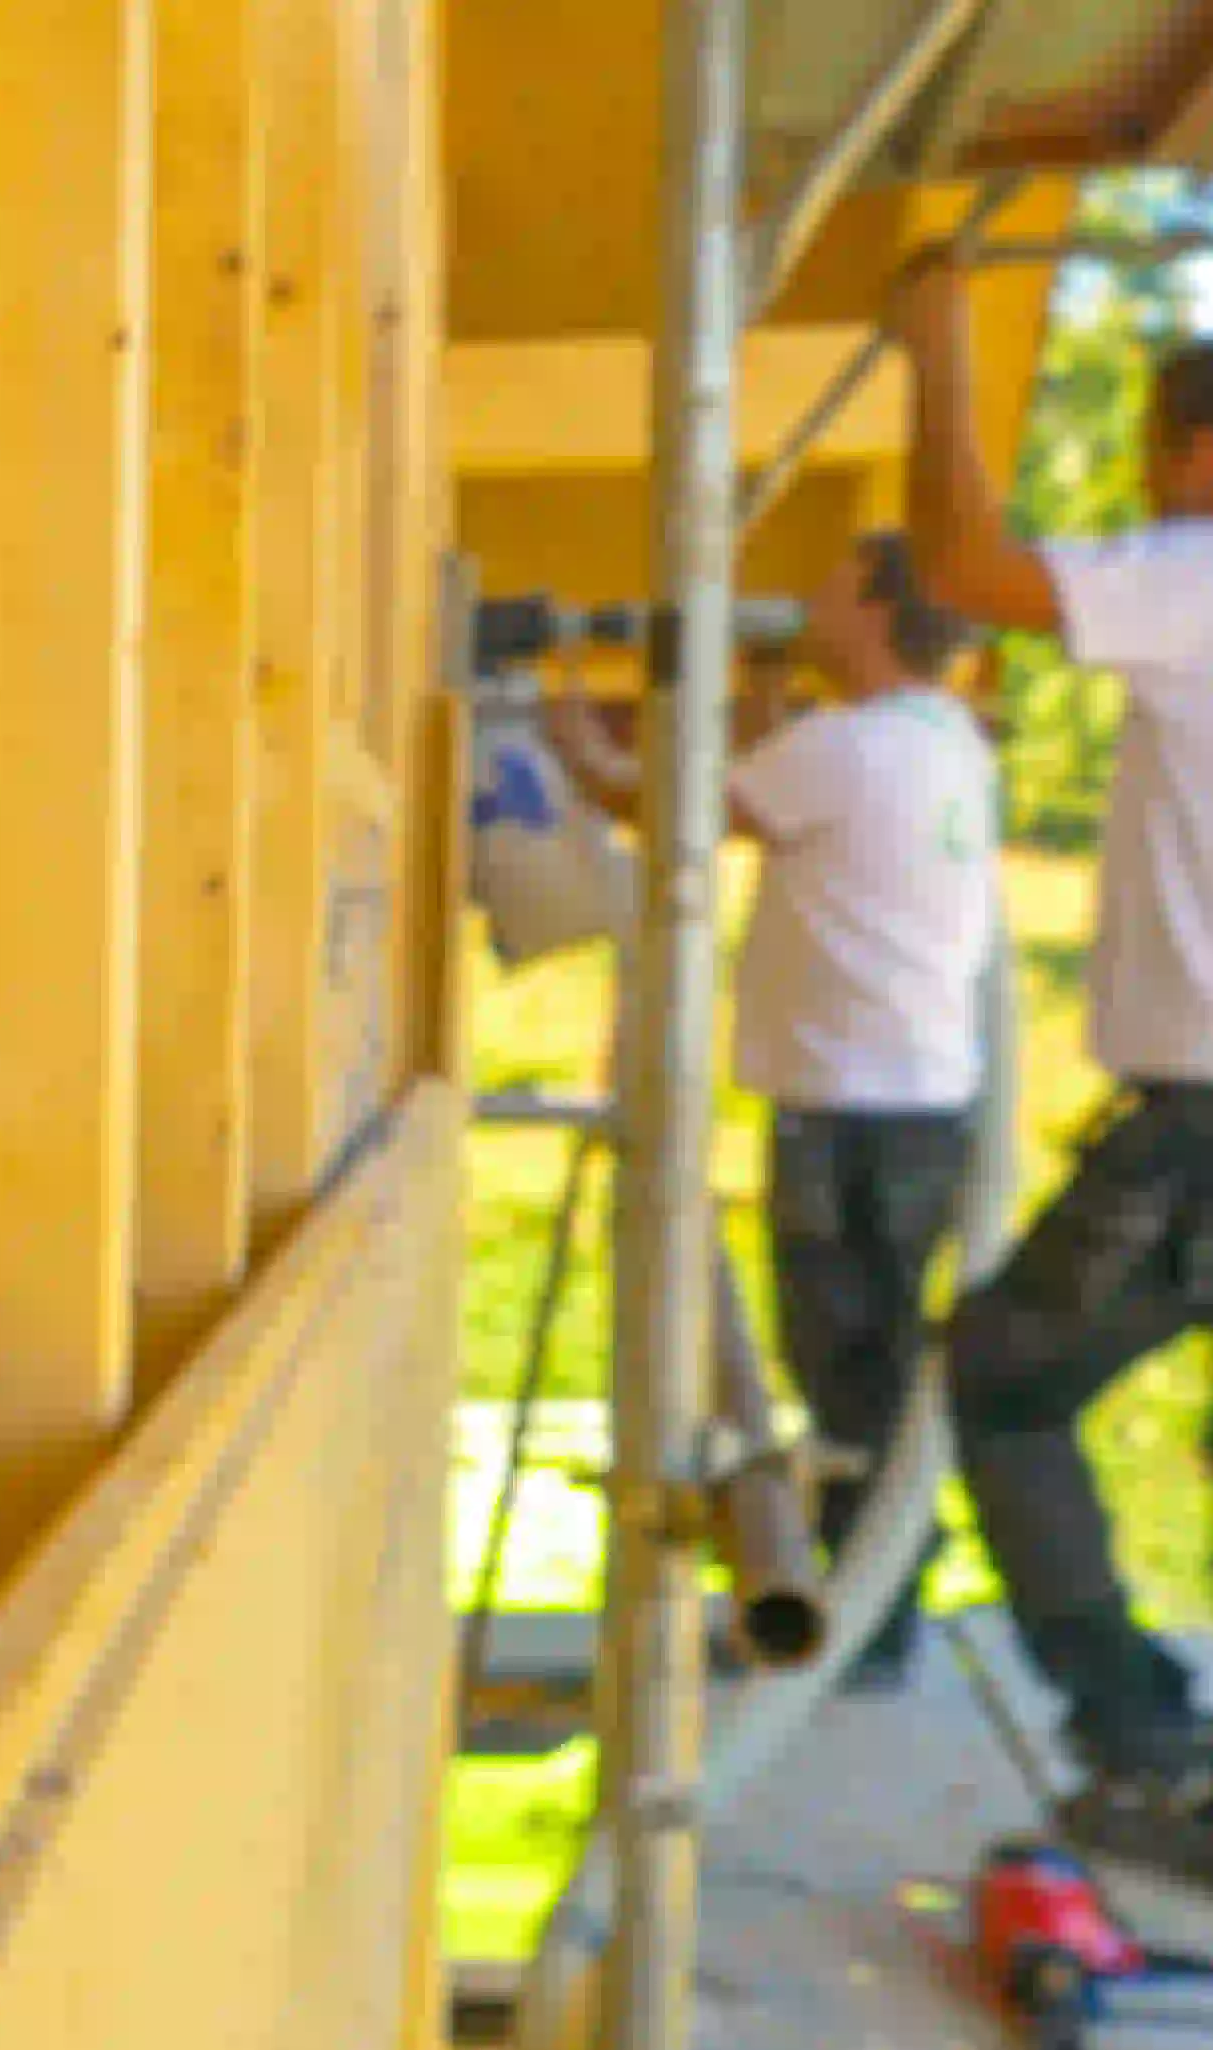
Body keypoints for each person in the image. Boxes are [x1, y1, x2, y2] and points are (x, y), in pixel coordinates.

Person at [542, 533, 1001, 1694]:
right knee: (879, 1359)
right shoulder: (937, 738)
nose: (807, 599)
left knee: (839, 1360)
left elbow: (659, 811)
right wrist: (757, 719)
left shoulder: (841, 747)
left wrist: (569, 729)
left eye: (832, 584)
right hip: (915, 1099)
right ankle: (879, 1590)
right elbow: (784, 796)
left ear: (878, 611)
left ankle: (856, 1615)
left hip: (842, 1106)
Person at [895, 247, 1213, 1853]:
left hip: (1205, 1120)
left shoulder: (1199, 568)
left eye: (1161, 459)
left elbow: (960, 563)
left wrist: (940, 342)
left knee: (1008, 1379)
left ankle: (1153, 1745)